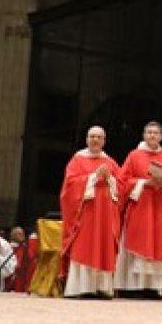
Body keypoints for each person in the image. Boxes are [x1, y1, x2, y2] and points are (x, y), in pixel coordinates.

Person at [117, 121, 162, 299]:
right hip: (140, 206)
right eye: (149, 132)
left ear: (161, 137)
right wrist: (142, 183)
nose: (152, 136)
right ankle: (133, 287)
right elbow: (122, 180)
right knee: (139, 241)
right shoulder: (134, 155)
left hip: (159, 207)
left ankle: (154, 288)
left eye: (156, 133)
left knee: (157, 243)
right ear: (144, 135)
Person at [60, 126, 123, 298]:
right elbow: (69, 187)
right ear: (87, 139)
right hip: (85, 215)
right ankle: (80, 288)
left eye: (99, 137)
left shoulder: (110, 162)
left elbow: (122, 187)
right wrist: (93, 177)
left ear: (104, 141)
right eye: (92, 136)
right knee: (84, 247)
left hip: (105, 215)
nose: (95, 140)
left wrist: (110, 179)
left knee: (103, 248)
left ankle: (101, 288)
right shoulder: (77, 160)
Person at [9, 226, 39, 293]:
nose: (22, 236)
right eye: (19, 234)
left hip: (23, 279)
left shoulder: (26, 248)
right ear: (13, 235)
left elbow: (32, 260)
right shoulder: (8, 247)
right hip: (12, 278)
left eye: (23, 234)